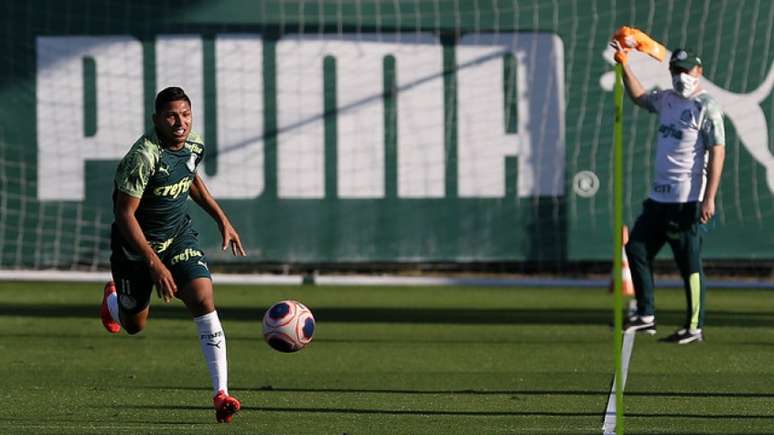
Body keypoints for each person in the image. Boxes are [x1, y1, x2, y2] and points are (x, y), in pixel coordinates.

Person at [99, 86, 247, 422]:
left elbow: (191, 178)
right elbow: (124, 215)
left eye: (185, 114)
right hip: (136, 249)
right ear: (156, 119)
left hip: (178, 235)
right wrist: (154, 263)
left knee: (202, 297)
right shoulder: (144, 156)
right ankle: (113, 301)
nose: (180, 122)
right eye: (171, 116)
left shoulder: (194, 143)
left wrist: (221, 219)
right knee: (135, 324)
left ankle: (221, 394)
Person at [611, 41, 726, 344]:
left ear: (699, 71)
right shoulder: (667, 100)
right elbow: (638, 97)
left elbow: (717, 152)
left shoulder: (707, 106)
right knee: (635, 248)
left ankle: (693, 326)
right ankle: (646, 315)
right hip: (658, 198)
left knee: (689, 265)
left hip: (686, 200)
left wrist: (709, 197)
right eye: (676, 70)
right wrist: (624, 63)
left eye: (687, 71)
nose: (681, 76)